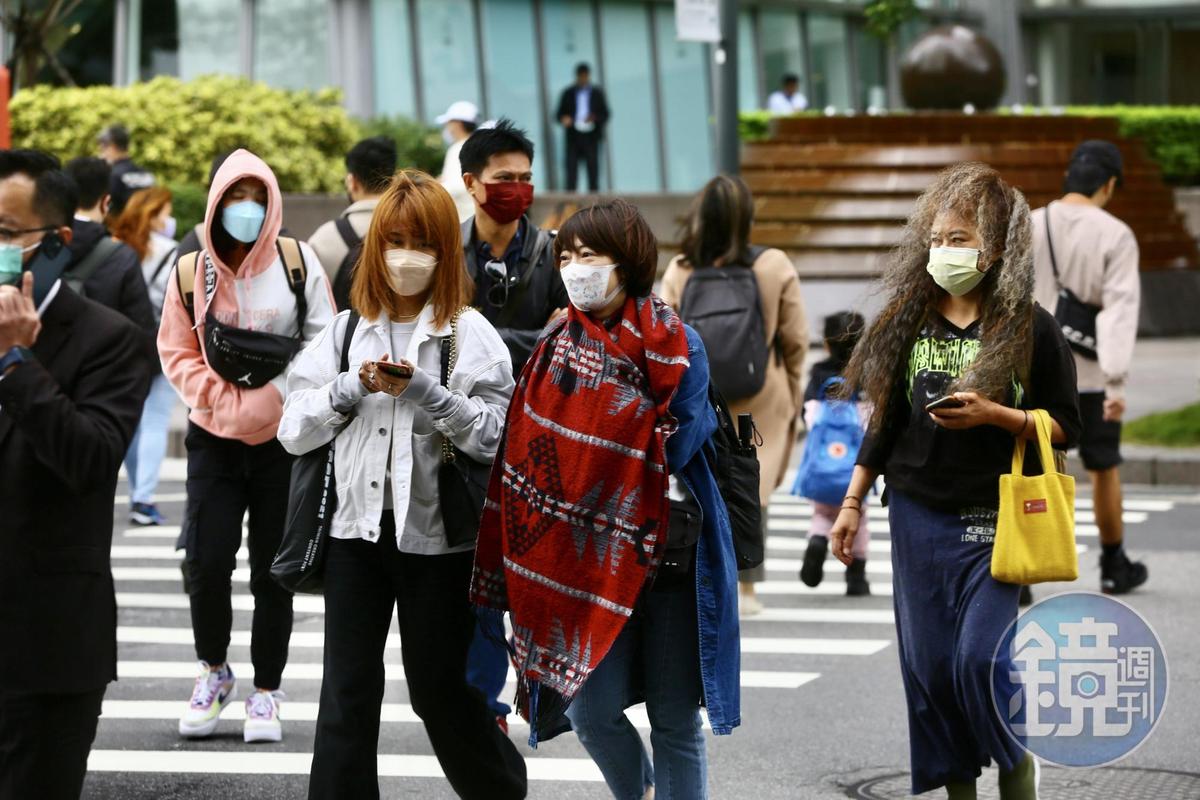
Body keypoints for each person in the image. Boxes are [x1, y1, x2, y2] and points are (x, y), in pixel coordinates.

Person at [471, 199, 741, 800]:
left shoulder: (679, 345)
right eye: (565, 256)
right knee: (590, 713)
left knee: (674, 720)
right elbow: (525, 455)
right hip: (578, 563)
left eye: (588, 255)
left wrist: (592, 455)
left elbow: (678, 444)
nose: (573, 268)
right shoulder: (552, 348)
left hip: (670, 556)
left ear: (627, 262)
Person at [833, 162, 1081, 798]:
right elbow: (884, 422)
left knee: (981, 659)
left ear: (995, 247)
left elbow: (1065, 427)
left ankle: (1016, 764)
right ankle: (962, 787)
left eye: (960, 239)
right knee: (935, 672)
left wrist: (996, 415)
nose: (944, 251)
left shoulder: (1030, 327)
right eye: (938, 239)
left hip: (998, 518)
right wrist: (853, 502)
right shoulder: (905, 322)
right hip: (917, 515)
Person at [278, 169, 527, 800]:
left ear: (445, 251)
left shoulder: (470, 335)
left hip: (438, 544)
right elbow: (292, 430)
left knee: (438, 690)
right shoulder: (342, 334)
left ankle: (499, 787)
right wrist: (350, 387)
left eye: (422, 243)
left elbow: (497, 440)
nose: (405, 257)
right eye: (392, 241)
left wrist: (429, 394)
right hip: (353, 539)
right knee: (346, 694)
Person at [158, 148, 335, 744]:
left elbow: (323, 343)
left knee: (271, 572)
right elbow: (176, 352)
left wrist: (275, 399)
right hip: (211, 439)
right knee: (205, 562)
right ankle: (214, 671)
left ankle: (266, 689)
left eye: (257, 197)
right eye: (235, 197)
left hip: (281, 443)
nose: (246, 209)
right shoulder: (190, 271)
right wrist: (222, 401)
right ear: (215, 202)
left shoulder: (297, 261)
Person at [0, 149, 152, 799]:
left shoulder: (108, 338)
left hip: (47, 642)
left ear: (59, 241)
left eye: (7, 234)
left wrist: (14, 362)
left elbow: (89, 461)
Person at [661, 175, 808, 617]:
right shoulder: (774, 264)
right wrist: (792, 388)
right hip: (764, 390)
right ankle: (747, 590)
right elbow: (796, 338)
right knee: (753, 489)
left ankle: (701, 578)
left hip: (702, 394)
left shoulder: (681, 269)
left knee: (699, 484)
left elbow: (667, 336)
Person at [1032, 139, 1147, 596]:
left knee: (1026, 467)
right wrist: (1117, 382)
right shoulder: (1116, 234)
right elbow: (1118, 311)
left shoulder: (1029, 223)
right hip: (1093, 376)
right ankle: (1114, 563)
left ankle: (1020, 569)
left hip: (1033, 370)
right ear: (1109, 184)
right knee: (1103, 468)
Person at [460, 119, 568, 375]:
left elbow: (571, 338)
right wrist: (542, 338)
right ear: (470, 183)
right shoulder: (444, 251)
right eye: (504, 178)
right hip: (462, 402)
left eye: (525, 178)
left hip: (534, 400)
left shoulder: (556, 253)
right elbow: (439, 339)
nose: (517, 189)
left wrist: (472, 339)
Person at [110, 186, 180, 526]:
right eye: (165, 212)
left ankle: (138, 492)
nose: (169, 220)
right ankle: (143, 498)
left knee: (131, 422)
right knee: (154, 420)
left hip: (120, 345)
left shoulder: (116, 247)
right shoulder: (170, 252)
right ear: (152, 215)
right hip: (158, 344)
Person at [797, 311, 871, 595]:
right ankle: (856, 576)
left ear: (827, 344)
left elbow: (808, 415)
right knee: (858, 519)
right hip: (854, 470)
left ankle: (818, 540)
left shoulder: (818, 374)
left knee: (823, 514)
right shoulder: (864, 375)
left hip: (823, 466)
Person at [62, 156, 156, 338]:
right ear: (105, 202)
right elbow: (142, 328)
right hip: (105, 360)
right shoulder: (121, 256)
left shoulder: (42, 244)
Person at [309, 136, 398, 310]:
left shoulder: (322, 239)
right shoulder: (416, 233)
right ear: (393, 182)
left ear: (352, 181)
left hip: (343, 336)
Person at [556, 62, 609, 193]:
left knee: (593, 169)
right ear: (577, 76)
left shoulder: (597, 93)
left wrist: (594, 118)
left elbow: (605, 114)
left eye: (585, 76)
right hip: (573, 135)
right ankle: (570, 201)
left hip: (591, 136)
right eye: (581, 76)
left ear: (589, 76)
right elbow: (558, 114)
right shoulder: (568, 93)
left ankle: (594, 201)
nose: (583, 78)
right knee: (571, 170)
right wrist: (565, 118)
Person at [96, 123, 155, 217]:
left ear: (112, 146)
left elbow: (103, 210)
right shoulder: (146, 173)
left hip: (122, 229)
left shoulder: (112, 175)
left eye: (102, 147)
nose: (101, 151)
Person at [436, 100, 481, 223]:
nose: (448, 128)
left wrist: (432, 189)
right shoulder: (477, 145)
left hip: (464, 219)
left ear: (457, 124)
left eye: (449, 123)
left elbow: (457, 185)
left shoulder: (459, 148)